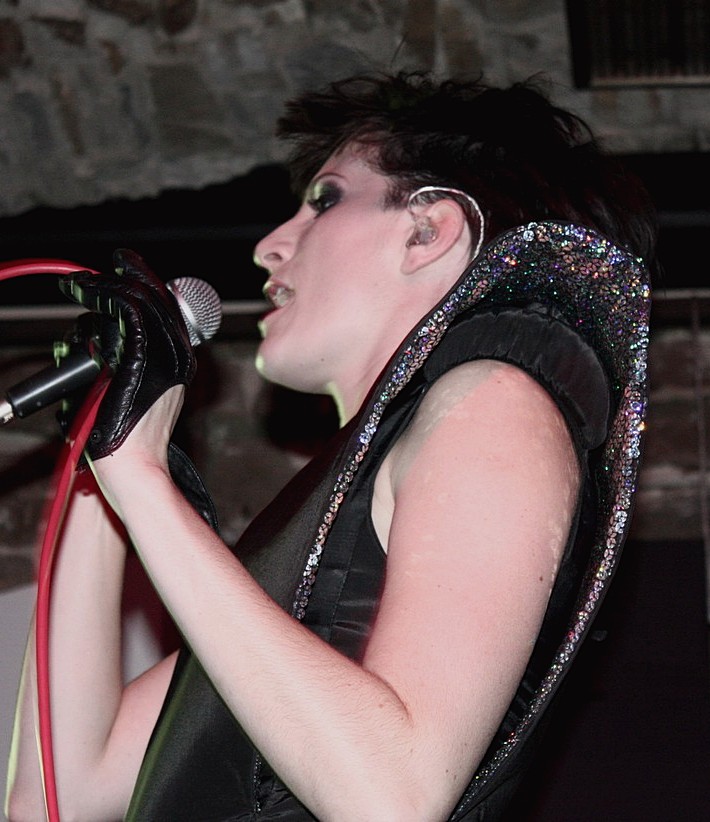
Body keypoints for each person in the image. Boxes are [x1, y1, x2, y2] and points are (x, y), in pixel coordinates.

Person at [6, 72, 654, 821]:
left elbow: (392, 798)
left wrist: (144, 480)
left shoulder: (494, 400)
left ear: (428, 231)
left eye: (324, 199)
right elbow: (60, 792)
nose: (268, 247)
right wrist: (103, 460)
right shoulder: (305, 576)